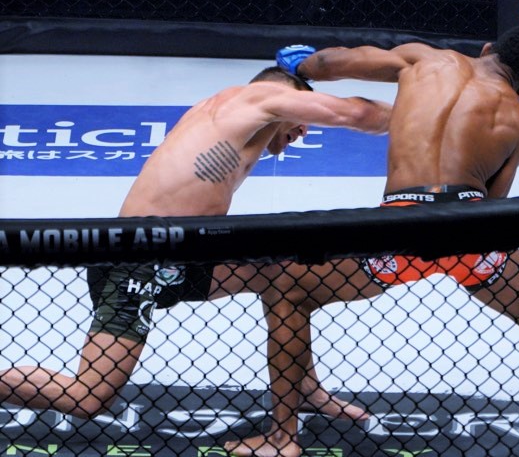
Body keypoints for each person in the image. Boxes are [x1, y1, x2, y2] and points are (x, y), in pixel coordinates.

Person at [224, 25, 519, 457]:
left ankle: (282, 438)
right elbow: (493, 203)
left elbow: (335, 62)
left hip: (402, 228)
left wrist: (303, 66)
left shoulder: (426, 60)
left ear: (487, 49)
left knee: (287, 291)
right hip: (471, 228)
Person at [0, 66, 391, 423]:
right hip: (138, 260)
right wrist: (417, 114)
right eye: (302, 114)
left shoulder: (238, 119)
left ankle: (303, 389)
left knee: (280, 274)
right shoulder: (258, 98)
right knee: (89, 397)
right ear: (288, 97)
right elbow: (357, 114)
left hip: (183, 256)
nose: (304, 129)